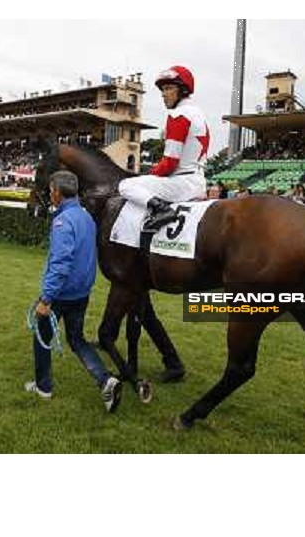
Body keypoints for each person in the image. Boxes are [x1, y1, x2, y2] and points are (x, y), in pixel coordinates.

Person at [25, 170, 122, 412]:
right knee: (77, 339)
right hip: (81, 292)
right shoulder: (86, 216)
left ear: (56, 192)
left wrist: (46, 299)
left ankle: (43, 387)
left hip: (61, 294)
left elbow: (61, 264)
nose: (50, 194)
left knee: (41, 336)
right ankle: (105, 380)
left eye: (50, 191)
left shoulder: (63, 221)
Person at [118, 65, 209, 231]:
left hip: (181, 183)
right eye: (162, 90)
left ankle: (162, 210)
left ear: (182, 90)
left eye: (168, 88)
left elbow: (170, 164)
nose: (163, 94)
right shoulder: (198, 113)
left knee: (126, 185)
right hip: (198, 181)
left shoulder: (177, 115)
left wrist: (149, 173)